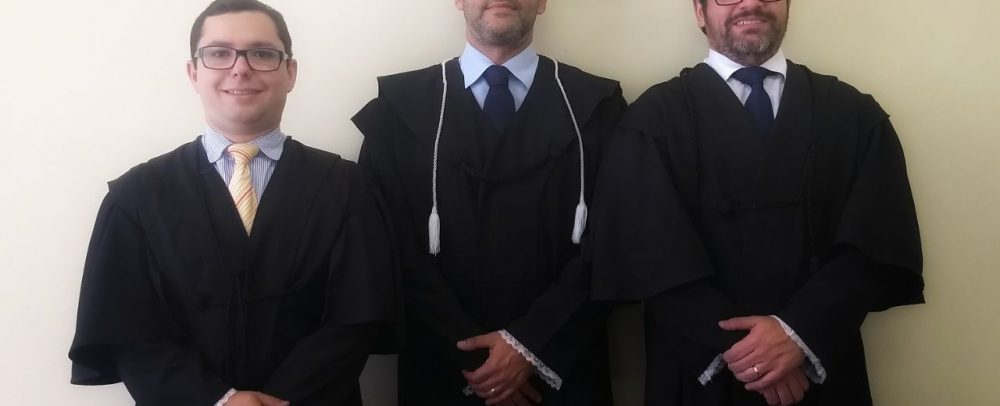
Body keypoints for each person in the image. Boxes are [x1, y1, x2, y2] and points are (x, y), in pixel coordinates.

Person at [589, 0, 924, 405]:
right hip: (698, 373)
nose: (750, 2)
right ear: (699, 12)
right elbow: (645, 256)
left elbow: (876, 242)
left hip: (821, 367)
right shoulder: (651, 120)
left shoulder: (853, 114)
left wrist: (799, 335)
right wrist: (751, 356)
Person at [68, 1, 397, 405]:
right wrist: (220, 400)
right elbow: (129, 331)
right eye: (219, 53)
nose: (240, 68)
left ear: (290, 72)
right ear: (193, 72)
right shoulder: (136, 197)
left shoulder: (347, 188)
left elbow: (357, 319)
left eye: (262, 53)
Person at [352, 0, 627, 404]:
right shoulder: (399, 111)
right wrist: (481, 362)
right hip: (442, 372)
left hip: (564, 369)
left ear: (542, 2)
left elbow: (616, 240)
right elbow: (384, 248)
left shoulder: (596, 107)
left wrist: (531, 344)